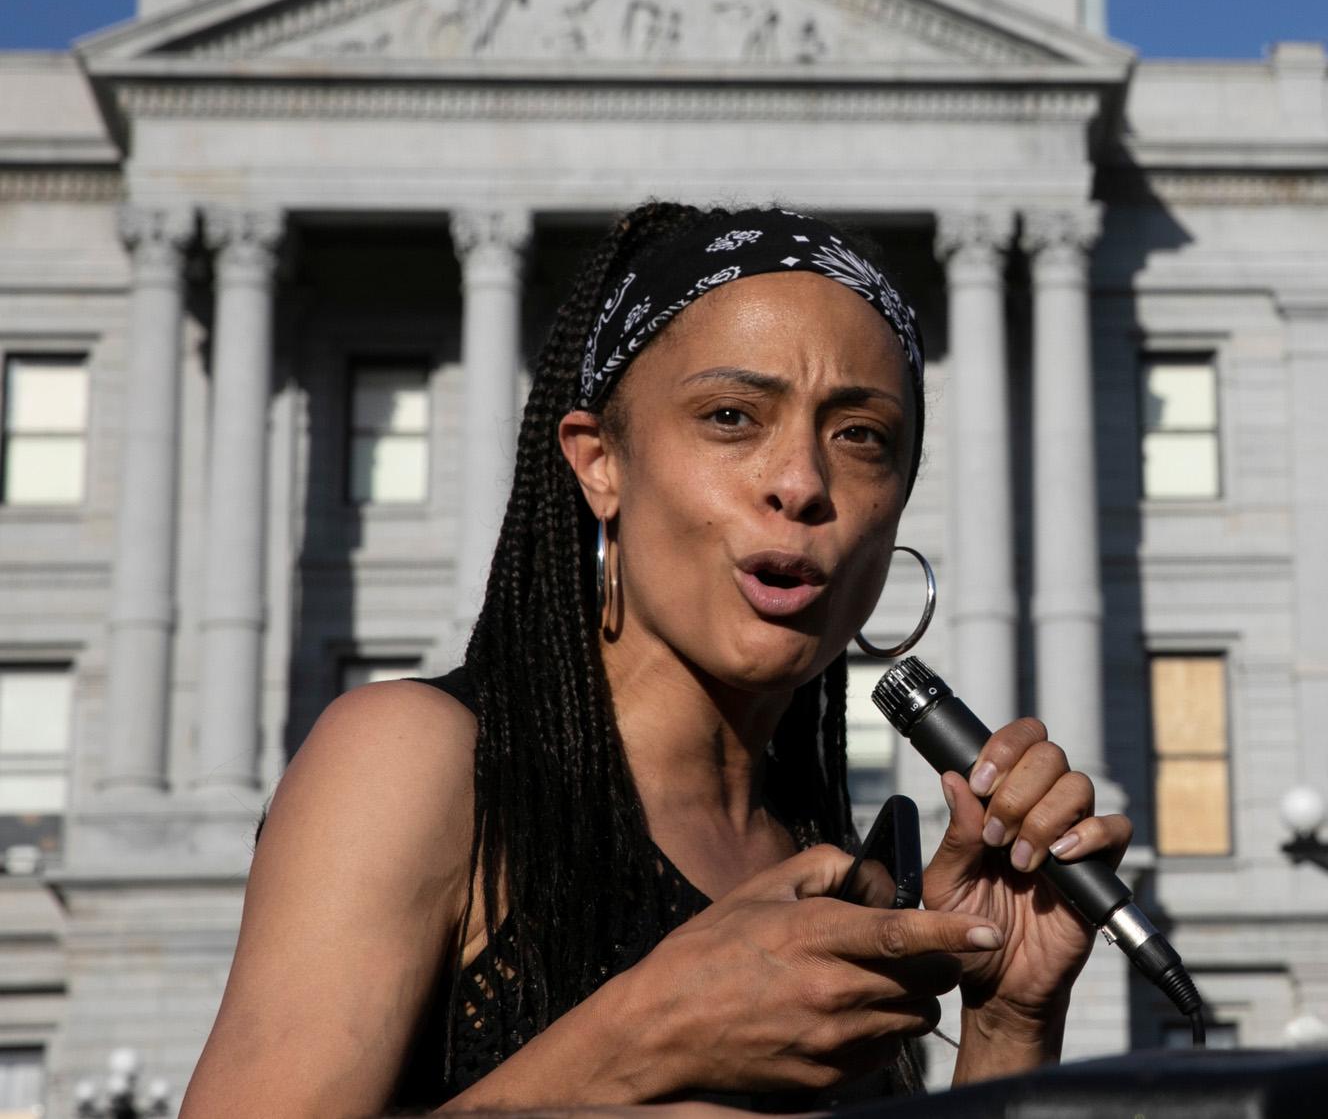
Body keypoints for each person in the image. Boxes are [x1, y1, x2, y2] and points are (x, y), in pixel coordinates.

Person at [181, 202, 1133, 1117]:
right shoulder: (418, 762)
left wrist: (1008, 1024)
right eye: (731, 417)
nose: (800, 481)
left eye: (860, 436)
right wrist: (635, 1037)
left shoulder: (818, 851)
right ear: (601, 463)